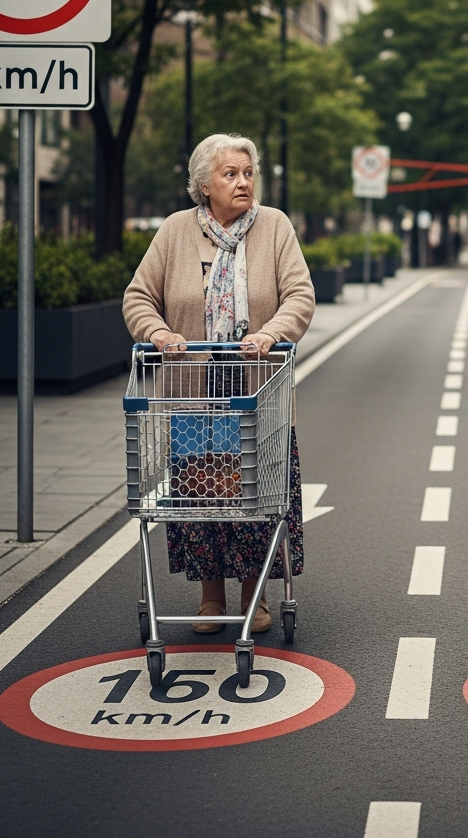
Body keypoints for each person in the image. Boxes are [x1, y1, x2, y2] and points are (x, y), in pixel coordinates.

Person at [123, 133, 315, 634]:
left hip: (256, 387)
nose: (243, 182)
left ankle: (256, 597)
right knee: (202, 493)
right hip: (192, 387)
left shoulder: (274, 227)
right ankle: (211, 600)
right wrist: (159, 333)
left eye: (248, 173)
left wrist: (270, 333)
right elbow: (138, 298)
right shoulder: (175, 231)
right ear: (204, 184)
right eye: (230, 174)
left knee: (255, 494)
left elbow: (300, 295)